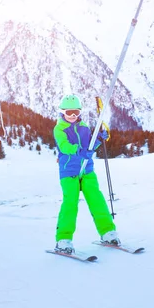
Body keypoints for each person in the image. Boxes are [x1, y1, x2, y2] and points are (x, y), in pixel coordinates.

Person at [53, 94, 119, 254]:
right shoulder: (59, 129)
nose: (73, 116)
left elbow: (90, 147)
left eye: (76, 112)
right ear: (63, 113)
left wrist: (98, 139)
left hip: (87, 170)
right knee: (70, 204)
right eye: (69, 113)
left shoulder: (83, 128)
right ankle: (63, 240)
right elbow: (64, 146)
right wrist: (79, 151)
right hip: (70, 172)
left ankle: (108, 232)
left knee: (96, 199)